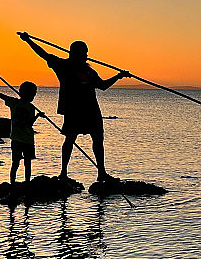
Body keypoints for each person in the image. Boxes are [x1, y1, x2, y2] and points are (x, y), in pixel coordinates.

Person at [18, 32, 129, 181]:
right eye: (84, 53)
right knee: (70, 139)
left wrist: (118, 76)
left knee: (98, 139)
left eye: (87, 53)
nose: (86, 56)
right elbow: (44, 54)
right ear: (75, 53)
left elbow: (102, 86)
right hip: (73, 110)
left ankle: (101, 173)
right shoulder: (63, 66)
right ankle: (63, 173)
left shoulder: (89, 71)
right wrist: (28, 41)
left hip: (91, 110)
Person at [0, 68, 45, 184]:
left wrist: (38, 116)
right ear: (23, 93)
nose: (33, 97)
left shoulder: (31, 108)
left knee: (28, 163)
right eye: (32, 94)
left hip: (29, 139)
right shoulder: (14, 102)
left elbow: (29, 124)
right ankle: (12, 183)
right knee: (15, 163)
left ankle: (27, 182)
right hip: (17, 139)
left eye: (34, 95)